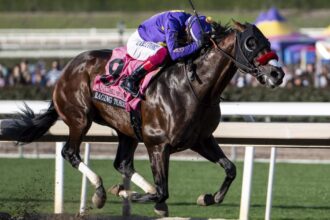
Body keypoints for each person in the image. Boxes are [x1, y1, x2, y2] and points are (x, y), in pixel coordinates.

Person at [120, 10, 212, 96]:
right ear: (188, 30)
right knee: (162, 53)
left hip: (153, 38)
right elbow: (174, 54)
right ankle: (131, 79)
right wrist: (197, 44)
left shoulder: (191, 21)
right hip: (138, 42)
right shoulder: (172, 23)